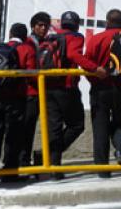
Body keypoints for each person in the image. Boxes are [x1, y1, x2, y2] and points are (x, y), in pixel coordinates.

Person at [45, 11, 99, 179]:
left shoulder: (50, 36)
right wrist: (94, 68)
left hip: (47, 85)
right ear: (76, 25)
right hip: (66, 86)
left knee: (54, 126)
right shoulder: (75, 37)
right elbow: (73, 55)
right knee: (76, 125)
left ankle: (53, 162)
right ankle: (51, 157)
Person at [0, 23, 35, 181]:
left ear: (10, 33)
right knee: (13, 133)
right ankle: (9, 170)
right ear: (25, 36)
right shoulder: (27, 49)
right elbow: (32, 73)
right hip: (16, 97)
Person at [84, 9, 121, 178]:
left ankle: (103, 169)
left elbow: (87, 63)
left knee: (100, 128)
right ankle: (119, 149)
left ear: (107, 22)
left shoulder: (97, 39)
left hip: (100, 88)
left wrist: (94, 80)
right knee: (120, 122)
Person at [20, 12, 51, 168]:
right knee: (25, 127)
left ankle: (25, 159)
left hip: (40, 91)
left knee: (30, 126)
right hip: (27, 91)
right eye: (40, 25)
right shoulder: (26, 42)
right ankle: (22, 160)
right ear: (33, 27)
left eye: (46, 25)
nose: (43, 28)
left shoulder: (48, 43)